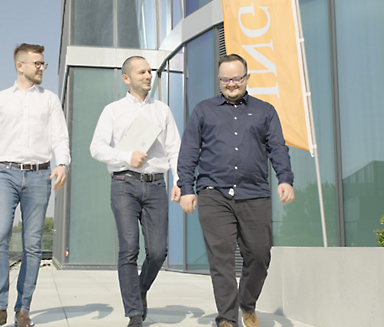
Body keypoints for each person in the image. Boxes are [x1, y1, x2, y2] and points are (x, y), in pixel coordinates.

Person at [177, 53, 295, 327]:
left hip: (254, 193)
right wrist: (186, 188)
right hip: (213, 192)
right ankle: (227, 319)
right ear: (219, 80)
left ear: (247, 78)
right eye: (226, 79)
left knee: (259, 255)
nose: (231, 83)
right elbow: (189, 151)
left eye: (237, 78)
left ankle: (247, 303)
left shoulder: (265, 111)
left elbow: (278, 147)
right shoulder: (203, 110)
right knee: (222, 260)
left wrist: (285, 178)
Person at [0, 43, 70, 327]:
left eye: (43, 64)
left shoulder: (49, 100)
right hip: (4, 174)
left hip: (39, 176)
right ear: (20, 66)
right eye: (37, 63)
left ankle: (23, 309)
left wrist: (62, 163)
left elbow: (60, 137)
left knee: (33, 245)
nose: (41, 68)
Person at [90, 56, 182, 327]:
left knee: (158, 252)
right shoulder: (112, 110)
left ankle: (140, 289)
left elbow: (175, 148)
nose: (148, 75)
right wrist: (126, 157)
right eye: (141, 72)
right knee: (129, 248)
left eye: (150, 71)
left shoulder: (162, 110)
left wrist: (180, 180)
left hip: (156, 185)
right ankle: (134, 314)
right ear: (126, 78)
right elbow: (96, 147)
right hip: (123, 183)